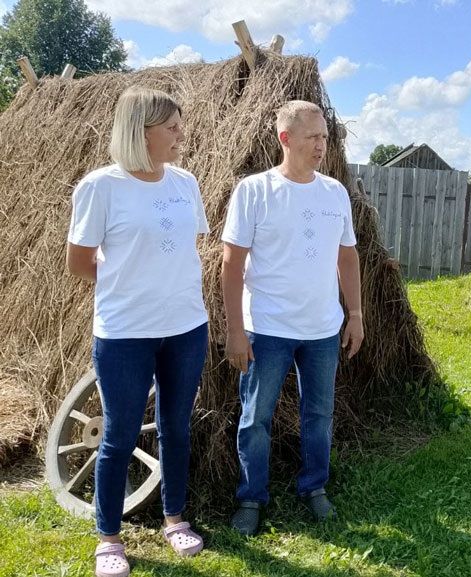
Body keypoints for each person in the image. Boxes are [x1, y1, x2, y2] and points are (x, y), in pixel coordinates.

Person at [67, 86, 208, 577]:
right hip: (125, 332)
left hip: (187, 326)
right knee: (120, 434)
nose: (181, 135)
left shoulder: (185, 182)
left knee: (176, 427)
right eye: (171, 127)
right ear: (140, 131)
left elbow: (184, 247)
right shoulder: (100, 187)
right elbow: (79, 262)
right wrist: (129, 286)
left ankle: (175, 519)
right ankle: (109, 538)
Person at [222, 100, 363, 534]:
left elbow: (347, 257)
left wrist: (355, 314)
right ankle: (251, 497)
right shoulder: (254, 191)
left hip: (322, 329)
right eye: (312, 137)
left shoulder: (334, 192)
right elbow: (231, 263)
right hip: (267, 328)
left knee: (319, 415)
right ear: (285, 138)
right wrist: (235, 330)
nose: (321, 145)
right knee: (256, 417)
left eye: (325, 137)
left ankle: (314, 487)